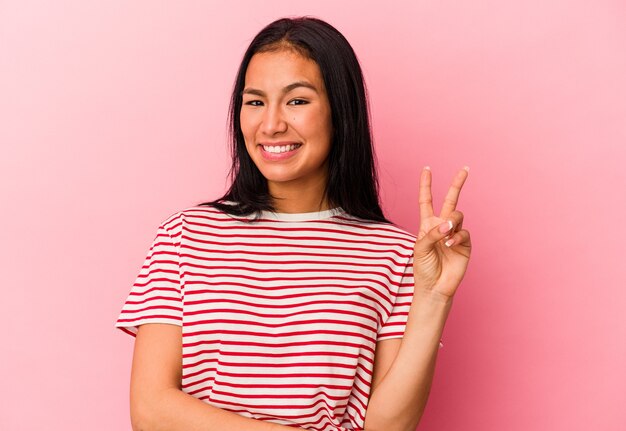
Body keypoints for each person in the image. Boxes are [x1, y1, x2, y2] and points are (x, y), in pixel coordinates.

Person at [115, 16, 471, 431]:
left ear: (341, 111)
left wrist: (433, 297)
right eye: (255, 101)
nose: (271, 125)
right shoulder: (185, 236)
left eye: (297, 101)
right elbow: (151, 408)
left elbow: (388, 426)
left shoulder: (394, 254)